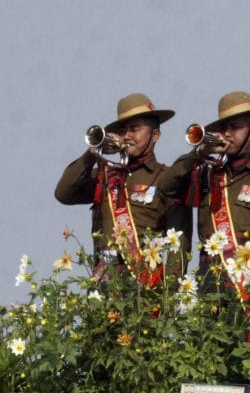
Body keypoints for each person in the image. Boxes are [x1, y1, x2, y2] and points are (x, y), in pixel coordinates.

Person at [159, 91, 250, 293]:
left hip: (249, 281)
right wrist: (198, 153)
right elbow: (166, 186)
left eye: (235, 127)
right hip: (209, 277)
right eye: (224, 127)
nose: (227, 133)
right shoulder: (204, 172)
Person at [55, 92, 192, 277]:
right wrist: (92, 154)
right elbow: (64, 193)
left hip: (143, 285)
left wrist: (167, 296)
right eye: (122, 130)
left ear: (155, 135)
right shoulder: (105, 175)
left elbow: (179, 246)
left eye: (134, 129)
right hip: (104, 278)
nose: (126, 136)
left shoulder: (166, 179)